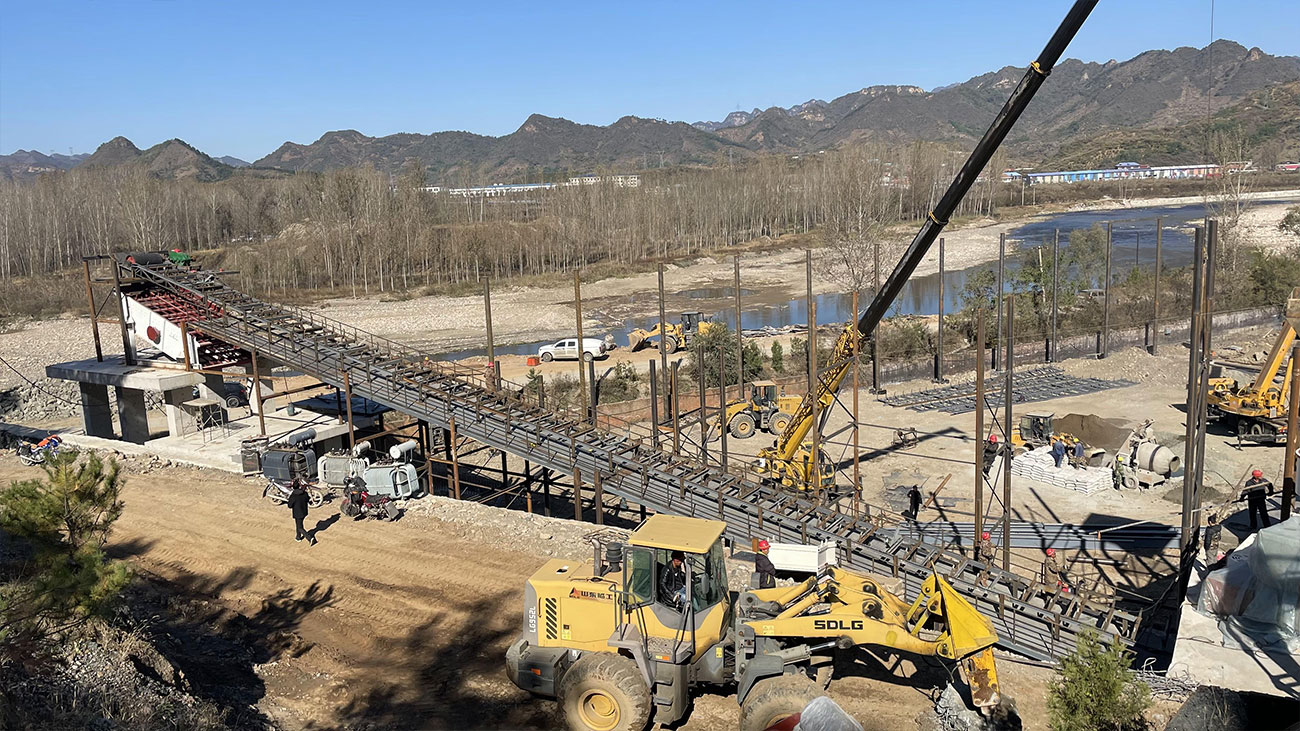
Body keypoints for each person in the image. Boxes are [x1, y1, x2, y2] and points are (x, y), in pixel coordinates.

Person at [288, 480, 315, 545]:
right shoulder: (304, 493)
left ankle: (309, 538)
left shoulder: (293, 496)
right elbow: (308, 500)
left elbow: (290, 505)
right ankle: (298, 537)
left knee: (300, 527)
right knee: (299, 524)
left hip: (297, 513)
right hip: (304, 511)